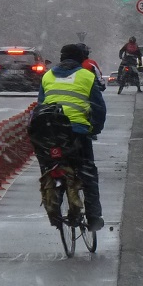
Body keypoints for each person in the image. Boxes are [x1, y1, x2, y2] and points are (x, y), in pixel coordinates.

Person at [38, 43, 107, 232]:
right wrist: (95, 129)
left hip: (51, 134)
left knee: (52, 165)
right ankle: (93, 217)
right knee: (88, 173)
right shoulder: (87, 76)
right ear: (81, 59)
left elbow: (40, 107)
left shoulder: (47, 76)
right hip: (77, 133)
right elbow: (99, 108)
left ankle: (55, 204)